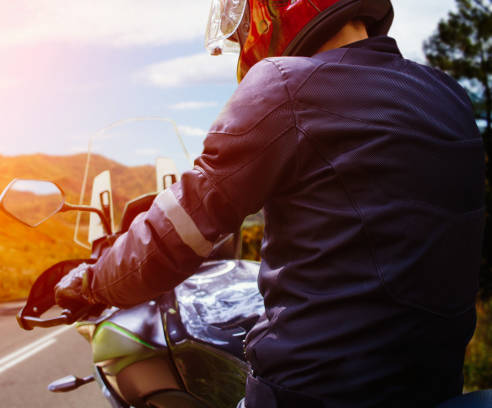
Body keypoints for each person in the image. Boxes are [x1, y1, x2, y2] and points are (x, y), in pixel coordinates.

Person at [56, 0, 486, 406]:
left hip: (314, 393)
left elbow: (174, 232)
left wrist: (90, 282)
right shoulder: (445, 94)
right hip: (432, 387)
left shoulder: (285, 84)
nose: (244, 37)